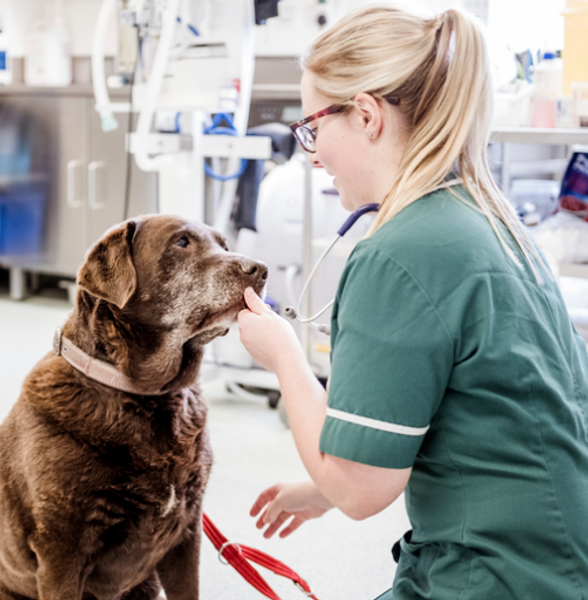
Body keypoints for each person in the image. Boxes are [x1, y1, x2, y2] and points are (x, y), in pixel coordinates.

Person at [237, 5, 588, 600]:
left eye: (312, 130)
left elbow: (359, 490)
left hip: (496, 578)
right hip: (557, 559)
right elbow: (480, 413)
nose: (311, 154)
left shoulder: (398, 257)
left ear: (367, 115)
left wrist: (284, 358)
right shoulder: (487, 220)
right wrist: (316, 492)